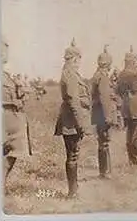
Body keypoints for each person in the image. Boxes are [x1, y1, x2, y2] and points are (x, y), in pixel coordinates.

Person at [54, 38, 92, 199]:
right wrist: (82, 125)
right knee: (72, 155)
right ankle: (72, 192)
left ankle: (74, 189)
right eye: (78, 59)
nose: (79, 62)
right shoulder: (70, 74)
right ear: (74, 59)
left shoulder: (72, 73)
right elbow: (73, 101)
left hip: (72, 121)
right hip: (71, 122)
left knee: (73, 154)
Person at [2, 36, 29, 194]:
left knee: (12, 154)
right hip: (0, 120)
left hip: (10, 121)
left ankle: (0, 185)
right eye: (3, 50)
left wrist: (20, 96)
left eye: (6, 50)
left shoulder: (6, 75)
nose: (6, 54)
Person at [90, 45, 117, 179]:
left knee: (103, 142)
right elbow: (104, 98)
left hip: (99, 114)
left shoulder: (97, 75)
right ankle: (105, 172)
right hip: (103, 114)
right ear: (107, 65)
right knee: (104, 142)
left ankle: (105, 171)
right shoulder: (103, 77)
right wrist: (108, 117)